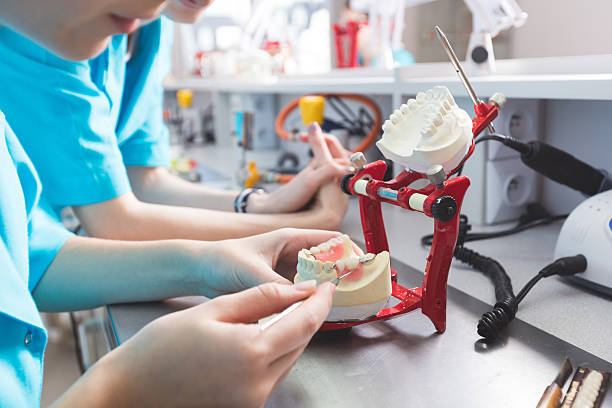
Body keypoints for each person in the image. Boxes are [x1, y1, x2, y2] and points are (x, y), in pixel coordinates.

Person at [0, 1, 337, 406]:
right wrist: (120, 391)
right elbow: (114, 218)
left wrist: (206, 264)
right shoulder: (49, 40)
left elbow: (33, 259)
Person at [0, 0, 351, 243]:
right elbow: (113, 222)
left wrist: (258, 204)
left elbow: (144, 181)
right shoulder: (59, 33)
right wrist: (310, 225)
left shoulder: (149, 29)